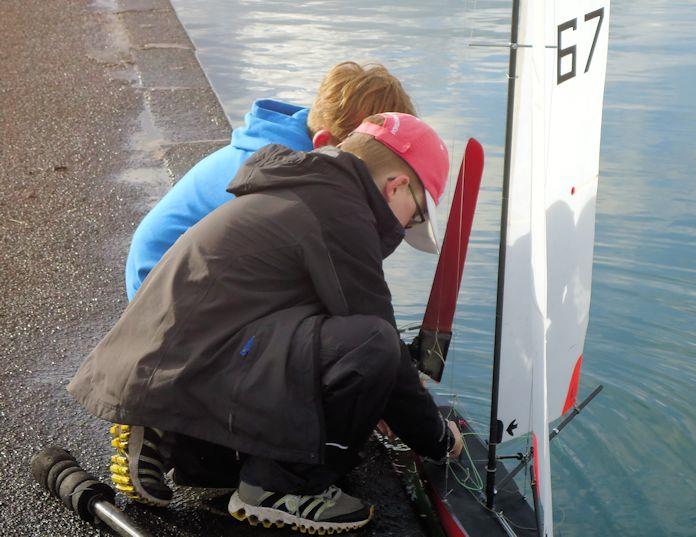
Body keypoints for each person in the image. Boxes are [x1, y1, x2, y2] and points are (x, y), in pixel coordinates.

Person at [68, 112, 463, 533]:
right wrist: (438, 437)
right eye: (415, 216)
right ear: (397, 185)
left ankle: (167, 424)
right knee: (375, 343)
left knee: (221, 466)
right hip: (198, 361)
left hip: (169, 357)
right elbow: (374, 338)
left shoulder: (308, 187)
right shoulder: (343, 209)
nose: (406, 229)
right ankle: (283, 489)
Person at [125, 61, 416, 300]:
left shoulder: (286, 153)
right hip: (162, 301)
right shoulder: (282, 181)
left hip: (172, 284)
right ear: (326, 142)